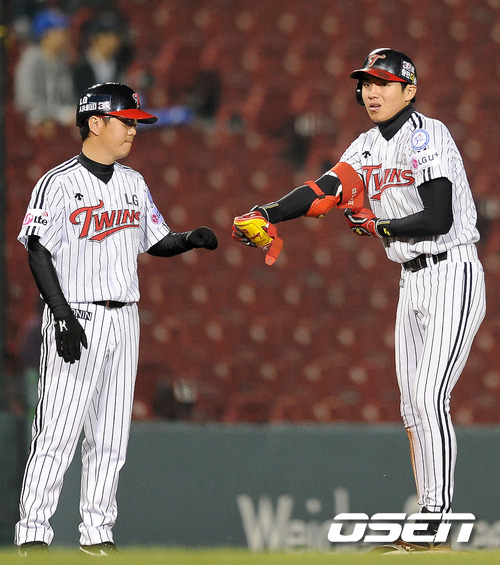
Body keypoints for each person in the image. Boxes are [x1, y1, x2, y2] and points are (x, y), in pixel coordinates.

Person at [232, 48, 486, 552]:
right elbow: (323, 189)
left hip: (451, 269)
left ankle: (434, 522)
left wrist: (381, 225)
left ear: (409, 91)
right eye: (367, 83)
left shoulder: (429, 135)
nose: (372, 91)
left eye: (383, 83)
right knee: (411, 406)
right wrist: (268, 212)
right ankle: (428, 524)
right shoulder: (367, 146)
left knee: (429, 397)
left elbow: (438, 217)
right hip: (411, 279)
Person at [15, 82, 218, 557]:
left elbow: (156, 240)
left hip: (125, 319)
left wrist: (188, 239)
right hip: (77, 313)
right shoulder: (57, 182)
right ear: (95, 123)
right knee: (57, 432)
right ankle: (33, 535)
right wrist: (60, 314)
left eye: (135, 123)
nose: (133, 130)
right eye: (126, 122)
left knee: (110, 437)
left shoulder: (133, 182)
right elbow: (38, 251)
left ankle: (97, 535)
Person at [14, 8, 76, 130]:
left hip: (59, 123)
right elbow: (26, 102)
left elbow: (68, 98)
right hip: (32, 124)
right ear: (46, 35)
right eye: (60, 32)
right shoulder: (31, 60)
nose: (65, 36)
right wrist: (57, 115)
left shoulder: (61, 61)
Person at [72, 11, 129, 96]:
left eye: (115, 37)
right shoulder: (79, 65)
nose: (113, 42)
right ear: (94, 38)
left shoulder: (119, 64)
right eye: (107, 37)